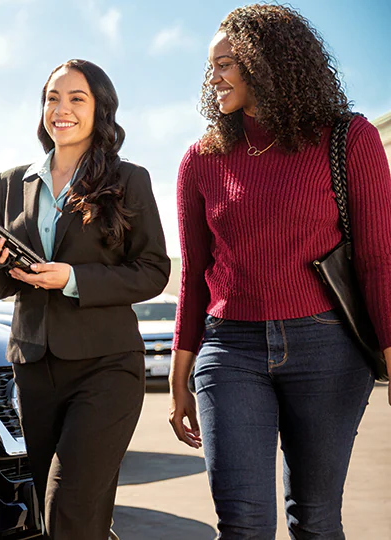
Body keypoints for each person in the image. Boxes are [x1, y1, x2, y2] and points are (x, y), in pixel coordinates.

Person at [168, 4, 391, 538]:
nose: (213, 77)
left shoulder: (348, 138)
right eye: (210, 66)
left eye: (225, 63)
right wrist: (181, 376)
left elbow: (379, 259)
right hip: (230, 351)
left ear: (266, 61)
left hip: (327, 350)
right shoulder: (200, 159)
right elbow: (196, 273)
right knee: (241, 523)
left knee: (314, 519)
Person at [0, 59, 170, 540]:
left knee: (69, 501)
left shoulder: (128, 178)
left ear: (99, 109)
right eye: (52, 98)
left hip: (107, 365)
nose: (61, 109)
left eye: (76, 98)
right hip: (34, 365)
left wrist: (74, 278)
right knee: (66, 512)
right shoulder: (12, 182)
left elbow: (153, 270)